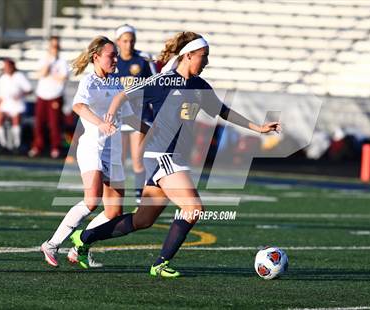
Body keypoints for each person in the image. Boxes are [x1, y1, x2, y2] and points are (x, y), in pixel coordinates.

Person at [70, 31, 281, 276]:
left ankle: (85, 237)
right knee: (193, 208)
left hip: (173, 157)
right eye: (204, 56)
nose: (207, 62)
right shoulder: (163, 81)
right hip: (160, 154)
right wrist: (110, 114)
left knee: (142, 220)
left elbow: (223, 111)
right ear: (188, 55)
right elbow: (122, 95)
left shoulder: (199, 86)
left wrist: (258, 128)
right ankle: (160, 263)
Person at [40, 36, 147, 268]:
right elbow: (78, 106)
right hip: (92, 148)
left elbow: (128, 116)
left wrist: (154, 131)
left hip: (114, 152)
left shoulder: (116, 83)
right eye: (111, 55)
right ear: (96, 57)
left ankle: (79, 246)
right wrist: (100, 123)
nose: (116, 59)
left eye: (117, 55)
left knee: (114, 211)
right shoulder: (90, 81)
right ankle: (51, 244)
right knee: (92, 201)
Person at [114, 24, 156, 205]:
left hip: (140, 114)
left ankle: (140, 195)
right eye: (125, 41)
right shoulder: (112, 60)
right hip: (119, 116)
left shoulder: (143, 60)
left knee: (138, 159)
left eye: (131, 40)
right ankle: (117, 195)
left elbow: (156, 84)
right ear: (118, 42)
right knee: (119, 160)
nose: (128, 44)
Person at [29, 36, 68, 159]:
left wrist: (53, 75)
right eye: (53, 46)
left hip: (55, 96)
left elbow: (63, 78)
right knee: (39, 123)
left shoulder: (62, 62)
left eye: (56, 46)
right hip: (42, 95)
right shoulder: (44, 60)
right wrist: (49, 63)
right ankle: (37, 146)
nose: (54, 49)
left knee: (54, 124)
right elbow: (42, 73)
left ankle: (55, 148)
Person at [0, 59, 32, 150]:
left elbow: (29, 90)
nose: (6, 69)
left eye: (7, 66)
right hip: (5, 105)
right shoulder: (3, 78)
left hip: (17, 104)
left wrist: (20, 95)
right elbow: (0, 96)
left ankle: (17, 144)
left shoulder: (19, 76)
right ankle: (3, 144)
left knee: (16, 119)